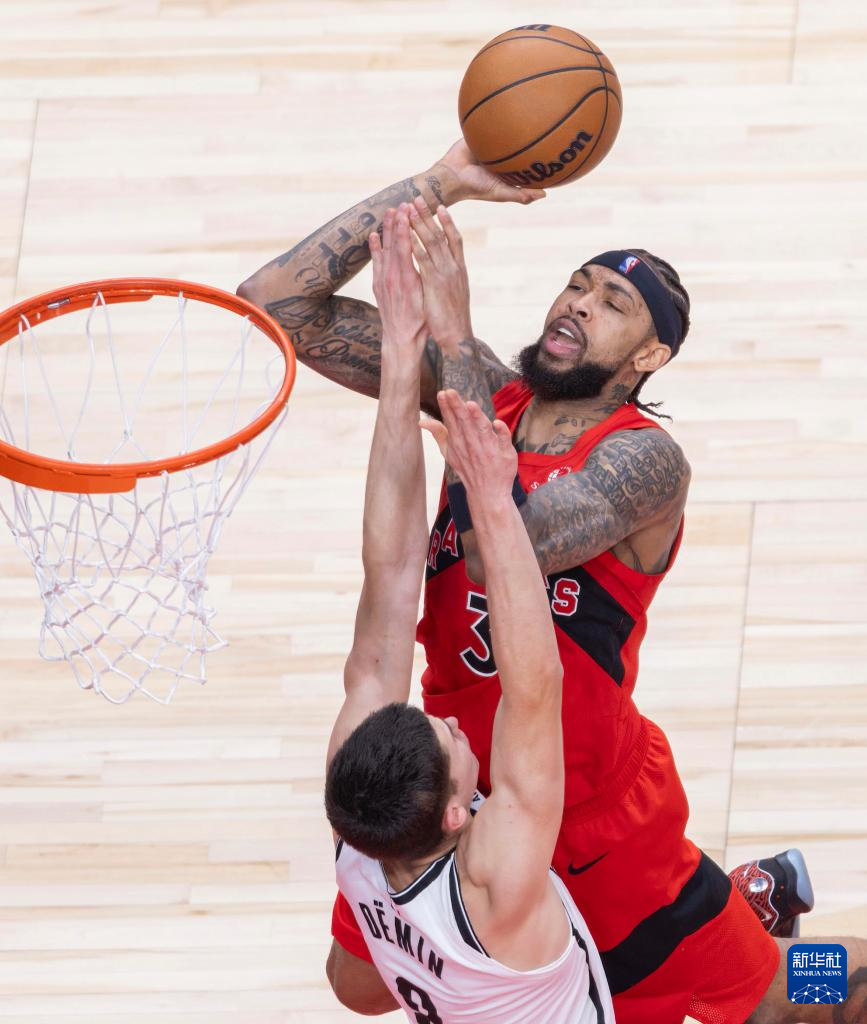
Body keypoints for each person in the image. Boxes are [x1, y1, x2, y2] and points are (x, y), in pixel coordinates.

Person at [239, 143, 866, 1024]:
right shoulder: (481, 398)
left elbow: (506, 544)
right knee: (358, 987)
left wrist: (452, 344)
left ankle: (765, 929)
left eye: (613, 304)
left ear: (648, 355)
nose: (579, 303)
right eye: (576, 284)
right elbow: (277, 304)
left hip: (592, 820)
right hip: (447, 787)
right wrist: (443, 182)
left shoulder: (643, 461)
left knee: (782, 998)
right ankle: (745, 900)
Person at [324, 202, 614, 1024]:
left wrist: (399, 356)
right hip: (601, 861)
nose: (449, 723)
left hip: (467, 970)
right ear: (458, 816)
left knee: (351, 985)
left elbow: (388, 582)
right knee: (785, 990)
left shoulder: (363, 832)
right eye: (448, 740)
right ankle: (777, 921)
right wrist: (491, 498)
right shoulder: (496, 883)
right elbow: (535, 685)